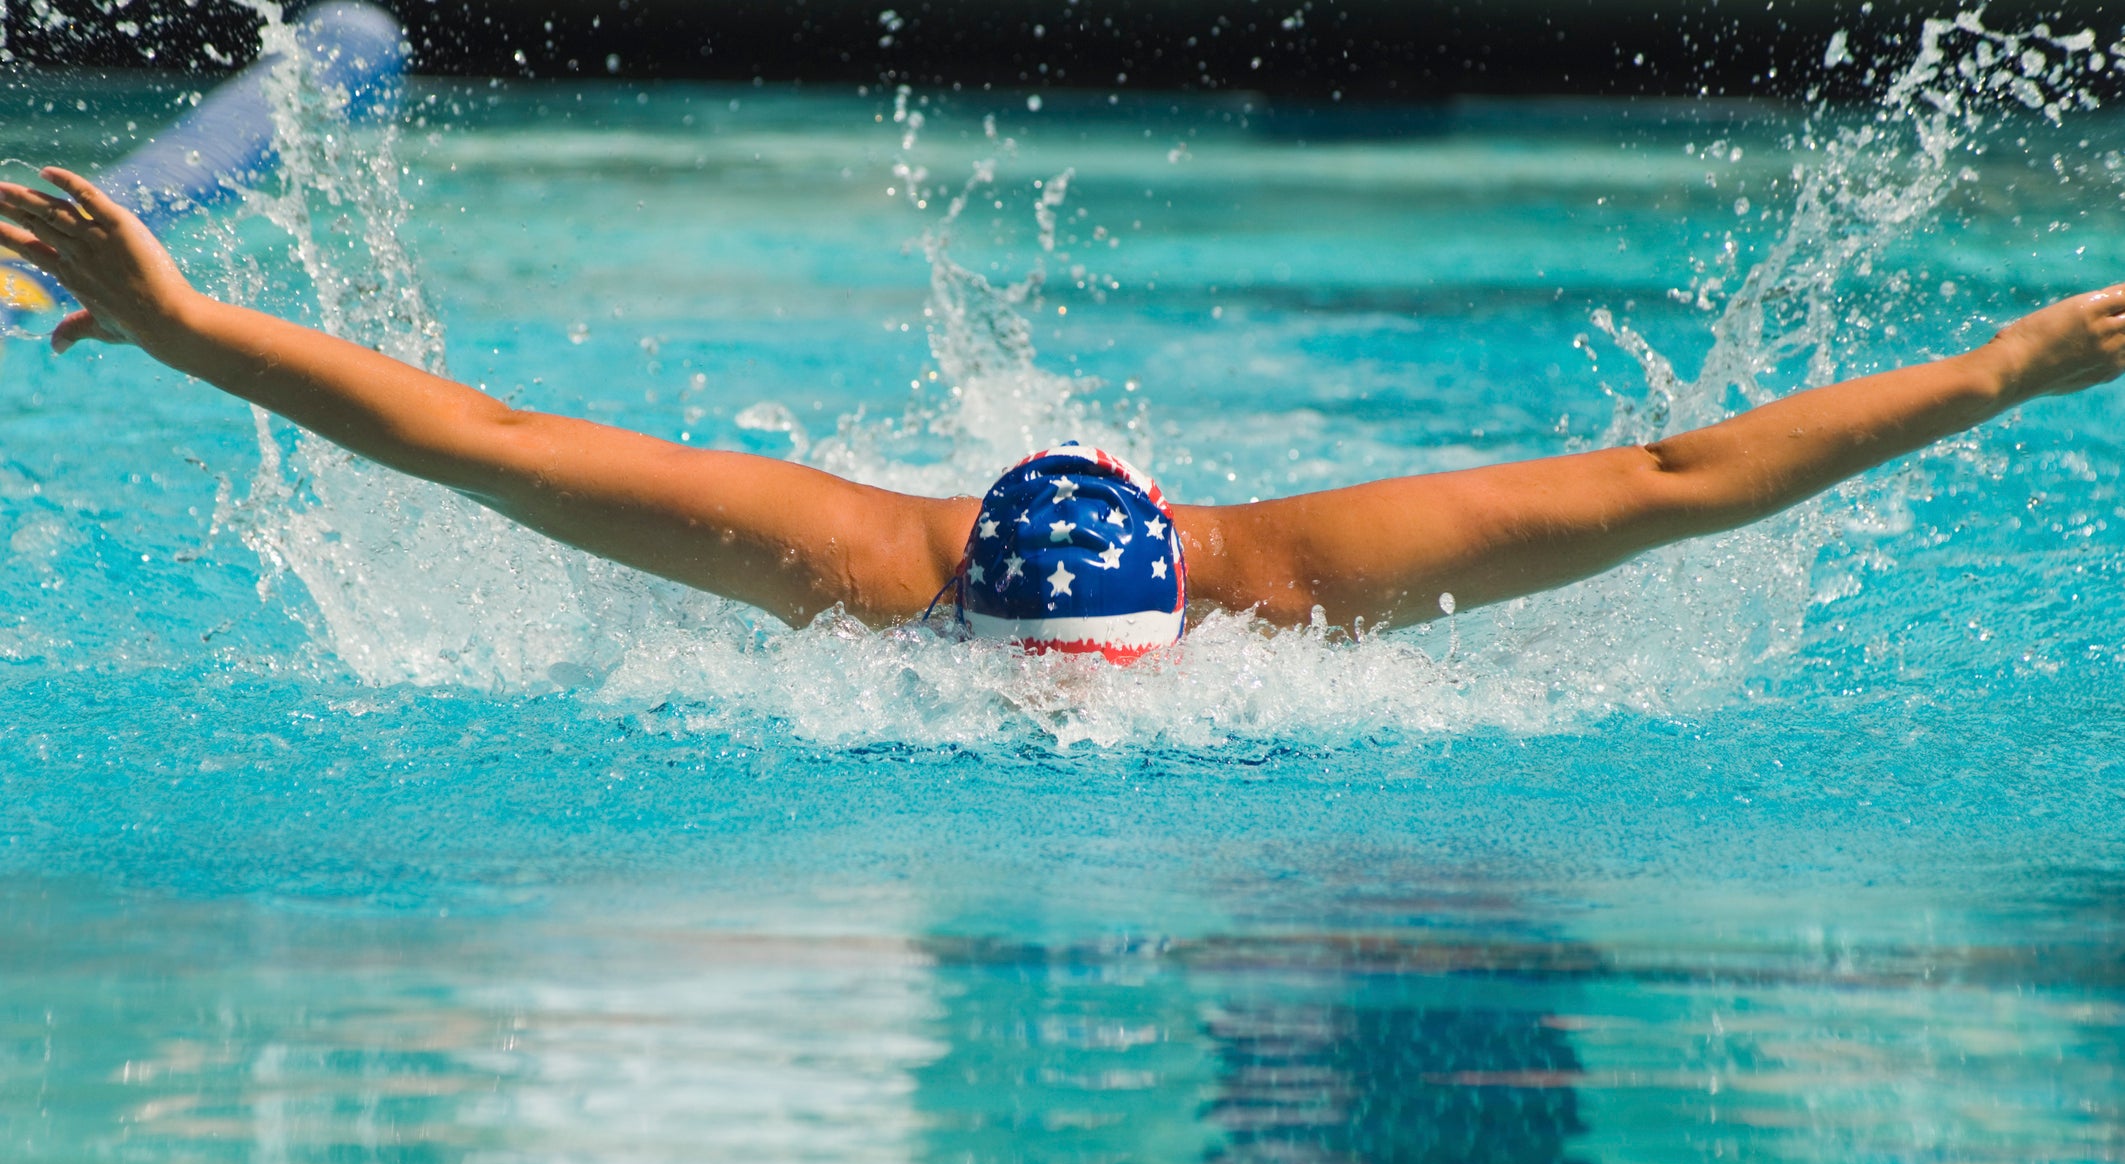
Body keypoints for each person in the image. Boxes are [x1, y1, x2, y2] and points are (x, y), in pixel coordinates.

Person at [3, 165, 2122, 662]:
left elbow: (1672, 480)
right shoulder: (855, 571)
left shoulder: (1287, 583)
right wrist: (189, 326)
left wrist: (2011, 366)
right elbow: (491, 446)